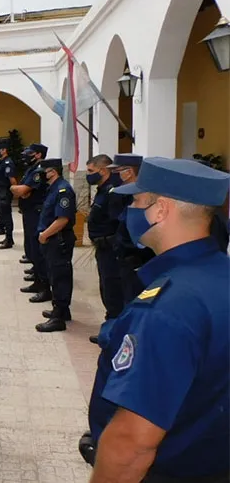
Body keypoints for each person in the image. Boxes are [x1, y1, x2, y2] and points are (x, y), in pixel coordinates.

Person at [87, 157, 230, 483]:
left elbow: (133, 443)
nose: (129, 212)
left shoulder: (167, 308)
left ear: (161, 209)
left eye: (137, 201)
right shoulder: (218, 276)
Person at [34, 159, 77, 333]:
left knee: (60, 276)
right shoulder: (53, 188)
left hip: (57, 239)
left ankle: (58, 317)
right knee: (55, 274)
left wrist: (44, 235)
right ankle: (62, 310)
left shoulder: (63, 190)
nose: (41, 174)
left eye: (44, 171)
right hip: (52, 239)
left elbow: (63, 219)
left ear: (53, 171)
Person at [85, 155, 124, 345]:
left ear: (103, 170)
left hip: (111, 250)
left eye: (91, 171)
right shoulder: (103, 189)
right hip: (103, 248)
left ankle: (114, 334)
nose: (88, 175)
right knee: (106, 288)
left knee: (113, 290)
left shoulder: (114, 191)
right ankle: (110, 328)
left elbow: (120, 224)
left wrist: (110, 243)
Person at [106, 153, 155, 305]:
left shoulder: (144, 198)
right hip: (124, 259)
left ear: (128, 171)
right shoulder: (125, 193)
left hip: (137, 263)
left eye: (117, 171)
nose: (114, 175)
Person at [12, 145, 51, 302]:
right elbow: (23, 191)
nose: (26, 156)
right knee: (31, 247)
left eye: (29, 154)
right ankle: (37, 279)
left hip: (36, 213)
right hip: (29, 212)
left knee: (37, 249)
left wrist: (17, 189)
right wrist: (21, 191)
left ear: (38, 154)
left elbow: (22, 191)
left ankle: (44, 286)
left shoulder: (39, 171)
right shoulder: (32, 168)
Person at [0, 145, 17, 249]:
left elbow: (12, 179)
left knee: (7, 216)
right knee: (4, 215)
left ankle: (9, 239)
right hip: (1, 192)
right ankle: (7, 237)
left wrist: (16, 192)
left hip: (5, 192)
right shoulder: (2, 161)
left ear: (4, 150)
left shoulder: (8, 162)